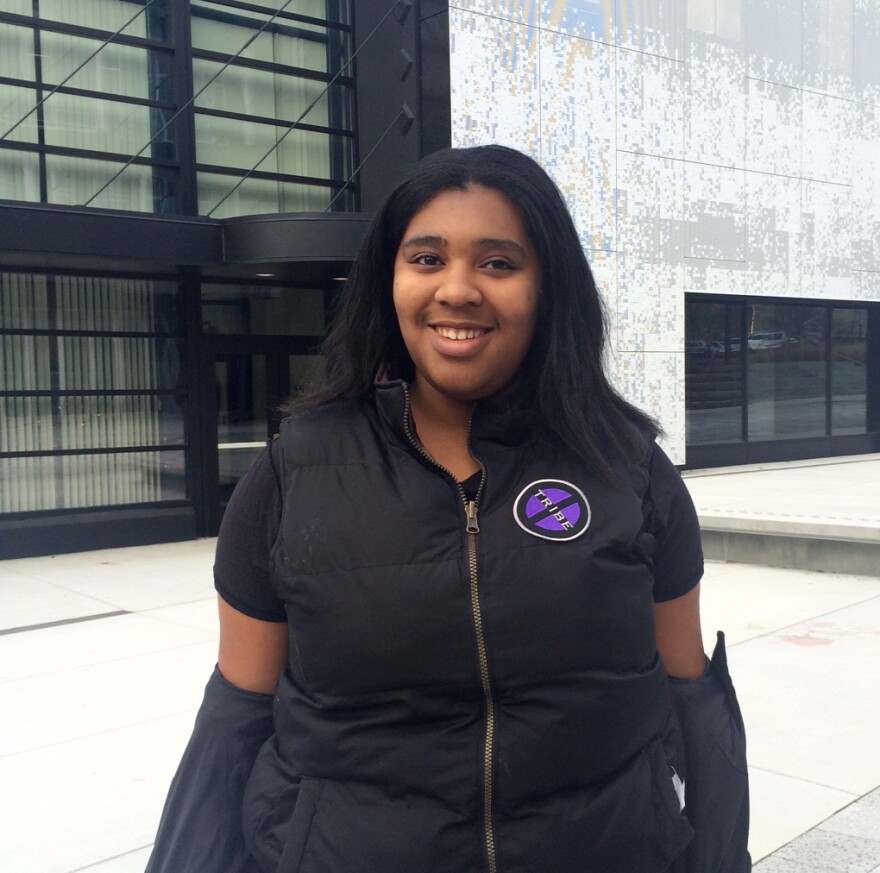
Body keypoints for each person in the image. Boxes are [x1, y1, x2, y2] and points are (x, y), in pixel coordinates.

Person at [146, 145, 749, 873]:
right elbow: (234, 722)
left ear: (547, 287)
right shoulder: (292, 474)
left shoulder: (628, 469)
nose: (457, 289)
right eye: (426, 258)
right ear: (388, 281)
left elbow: (689, 699)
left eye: (498, 263)